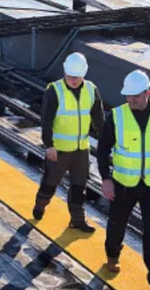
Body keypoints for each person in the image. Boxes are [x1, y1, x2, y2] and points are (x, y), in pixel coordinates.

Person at [97, 69, 150, 290]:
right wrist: (105, 179)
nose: (131, 100)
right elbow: (103, 149)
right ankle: (112, 257)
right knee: (117, 226)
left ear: (147, 93)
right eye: (128, 96)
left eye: (135, 95)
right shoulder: (117, 116)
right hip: (123, 184)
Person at [33, 52, 104, 232]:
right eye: (71, 77)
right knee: (50, 183)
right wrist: (48, 145)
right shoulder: (54, 90)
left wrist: (105, 142)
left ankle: (77, 220)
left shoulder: (91, 90)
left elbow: (98, 119)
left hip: (81, 150)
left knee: (79, 187)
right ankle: (41, 204)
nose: (73, 80)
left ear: (84, 74)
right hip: (59, 150)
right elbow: (46, 120)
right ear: (65, 73)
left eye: (77, 77)